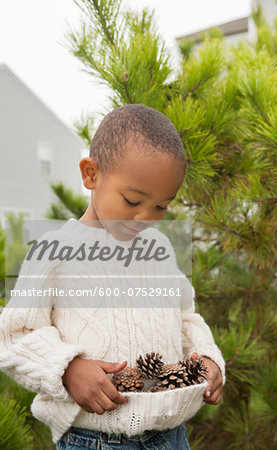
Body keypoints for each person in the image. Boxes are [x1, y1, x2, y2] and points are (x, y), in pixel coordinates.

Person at [0, 104, 226, 449]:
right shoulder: (54, 251)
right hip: (94, 439)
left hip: (171, 437)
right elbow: (14, 335)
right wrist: (68, 368)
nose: (145, 217)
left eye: (162, 206)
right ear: (91, 174)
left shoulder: (159, 250)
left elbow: (185, 316)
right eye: (132, 199)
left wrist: (207, 356)